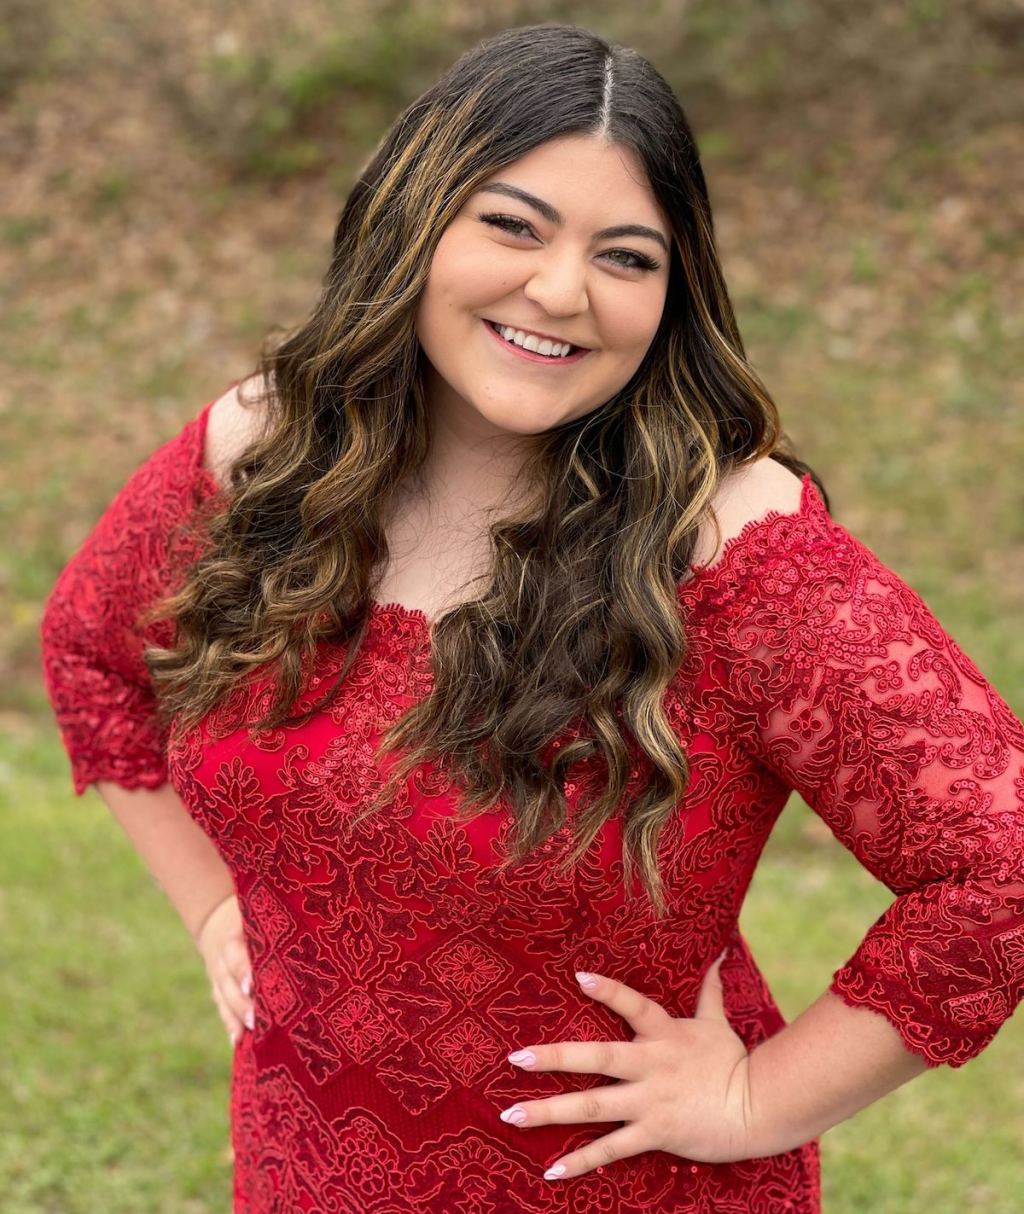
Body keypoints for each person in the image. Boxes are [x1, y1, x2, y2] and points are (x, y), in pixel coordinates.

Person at [39, 22, 1024, 1214]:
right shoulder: (270, 458)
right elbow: (92, 650)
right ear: (414, 221)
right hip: (305, 1164)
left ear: (674, 292)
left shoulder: (729, 553)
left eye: (626, 256)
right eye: (512, 224)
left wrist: (759, 1099)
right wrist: (210, 903)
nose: (561, 290)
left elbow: (1000, 862)